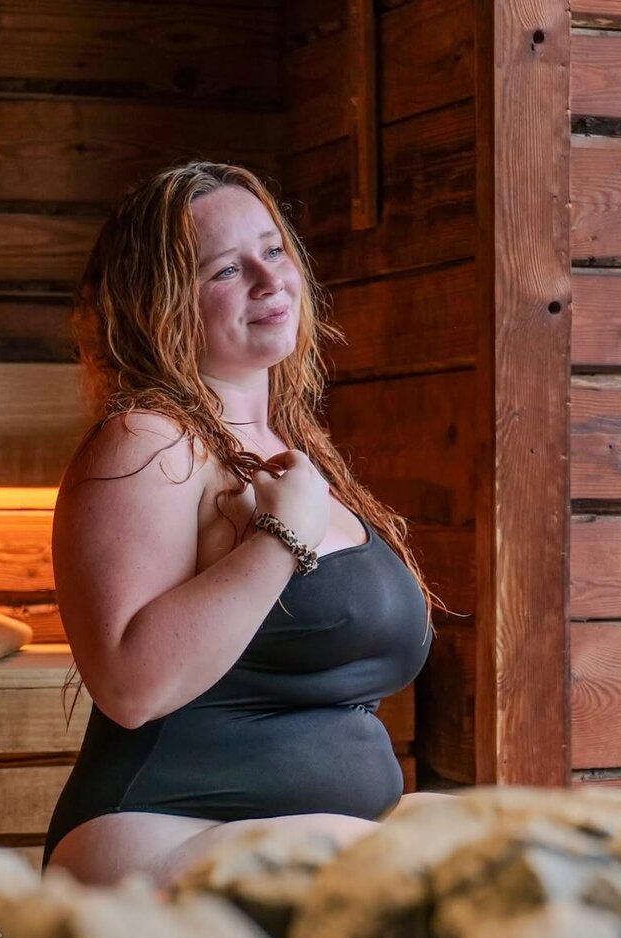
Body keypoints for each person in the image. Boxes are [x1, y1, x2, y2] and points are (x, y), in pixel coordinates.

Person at [42, 161, 446, 887]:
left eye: (274, 250)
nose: (269, 280)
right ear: (162, 303)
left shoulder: (290, 448)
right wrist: (279, 541)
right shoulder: (149, 440)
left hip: (311, 849)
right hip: (164, 838)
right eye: (226, 269)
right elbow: (130, 686)